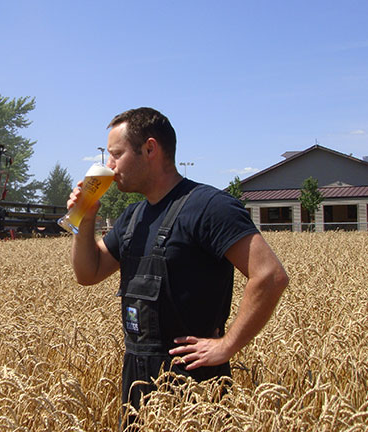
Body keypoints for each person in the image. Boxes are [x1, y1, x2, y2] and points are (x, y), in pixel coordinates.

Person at [67, 107, 289, 423]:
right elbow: (88, 272)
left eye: (116, 154)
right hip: (137, 377)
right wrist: (84, 219)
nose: (109, 166)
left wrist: (226, 346)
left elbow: (270, 275)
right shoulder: (133, 217)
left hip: (194, 386)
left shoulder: (210, 207)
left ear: (150, 149)